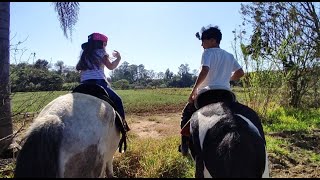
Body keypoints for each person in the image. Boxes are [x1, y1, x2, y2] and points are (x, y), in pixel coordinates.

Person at [179, 25, 245, 156]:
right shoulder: (229, 56)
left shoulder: (208, 53)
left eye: (204, 40)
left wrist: (194, 91)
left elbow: (205, 70)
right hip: (226, 94)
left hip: (207, 94)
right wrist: (227, 78)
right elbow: (240, 72)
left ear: (213, 40)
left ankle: (184, 146)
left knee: (186, 114)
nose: (202, 44)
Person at [76, 32, 125, 121]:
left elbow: (78, 68)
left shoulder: (84, 54)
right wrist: (118, 58)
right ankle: (123, 125)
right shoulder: (101, 52)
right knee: (118, 100)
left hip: (83, 84)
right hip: (98, 83)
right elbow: (111, 66)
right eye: (105, 44)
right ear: (102, 43)